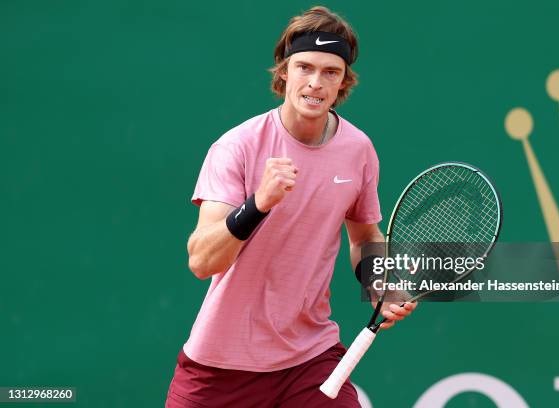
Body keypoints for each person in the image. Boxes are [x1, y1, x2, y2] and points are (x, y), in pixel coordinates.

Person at [166, 6, 417, 407]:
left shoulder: (358, 151)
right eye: (304, 67)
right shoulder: (237, 147)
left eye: (330, 72)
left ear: (343, 83)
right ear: (284, 72)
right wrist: (258, 204)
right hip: (222, 366)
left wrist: (379, 285)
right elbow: (201, 260)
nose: (315, 83)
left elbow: (365, 237)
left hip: (309, 359)